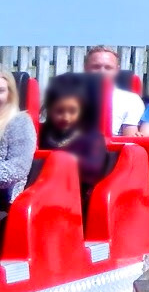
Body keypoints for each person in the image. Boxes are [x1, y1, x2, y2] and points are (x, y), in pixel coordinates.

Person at [40, 74, 109, 214]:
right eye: (59, 111)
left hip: (78, 200)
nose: (66, 117)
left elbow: (93, 169)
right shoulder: (42, 133)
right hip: (43, 194)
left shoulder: (91, 137)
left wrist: (62, 162)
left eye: (72, 111)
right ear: (49, 109)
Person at [84, 46, 149, 136]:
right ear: (85, 68)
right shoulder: (69, 98)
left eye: (108, 68)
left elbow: (129, 139)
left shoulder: (131, 100)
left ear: (117, 70)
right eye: (96, 67)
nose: (102, 72)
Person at [0, 72, 37, 204]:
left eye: (0, 91)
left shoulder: (20, 121)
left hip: (5, 199)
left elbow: (18, 167)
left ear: (10, 94)